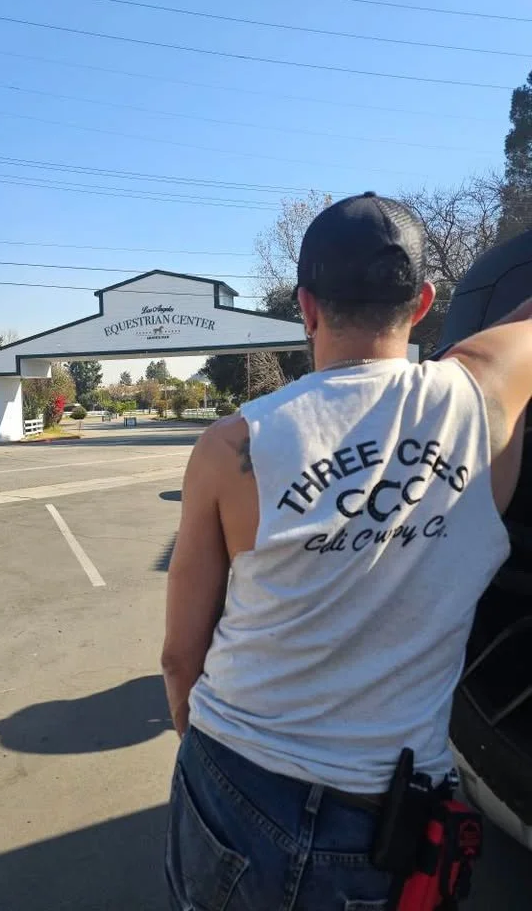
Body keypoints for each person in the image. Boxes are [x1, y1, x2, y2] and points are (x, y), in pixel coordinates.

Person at [161, 192, 531, 910]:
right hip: (391, 815)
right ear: (422, 303)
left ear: (306, 307)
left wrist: (201, 752)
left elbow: (181, 656)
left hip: (235, 778)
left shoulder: (232, 445)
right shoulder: (483, 396)